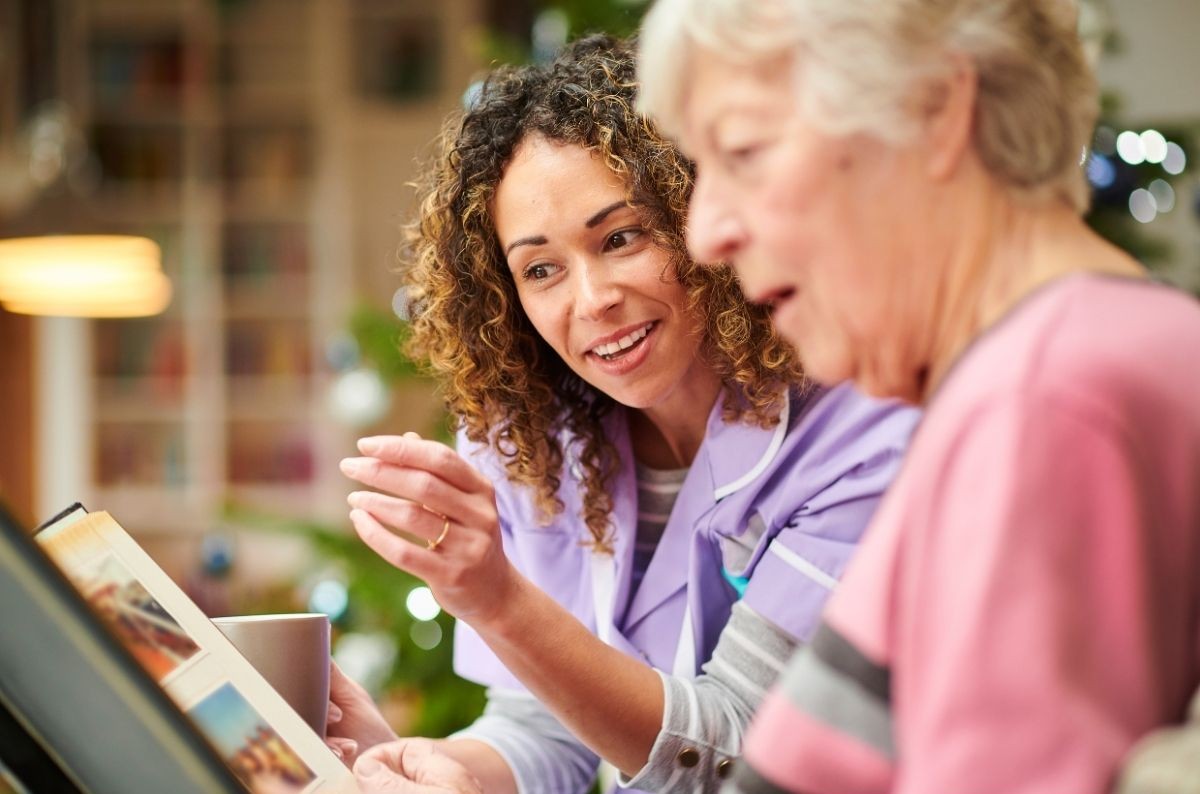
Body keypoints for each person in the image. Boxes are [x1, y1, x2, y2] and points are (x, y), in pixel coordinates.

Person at [634, 0, 1200, 792]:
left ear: (935, 110)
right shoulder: (1053, 367)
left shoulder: (1044, 397)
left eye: (745, 152)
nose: (705, 234)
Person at [329, 35, 918, 794]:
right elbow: (546, 729)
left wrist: (500, 601)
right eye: (541, 269)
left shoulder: (861, 433)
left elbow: (739, 753)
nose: (592, 300)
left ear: (699, 214)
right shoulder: (533, 443)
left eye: (621, 237)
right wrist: (427, 768)